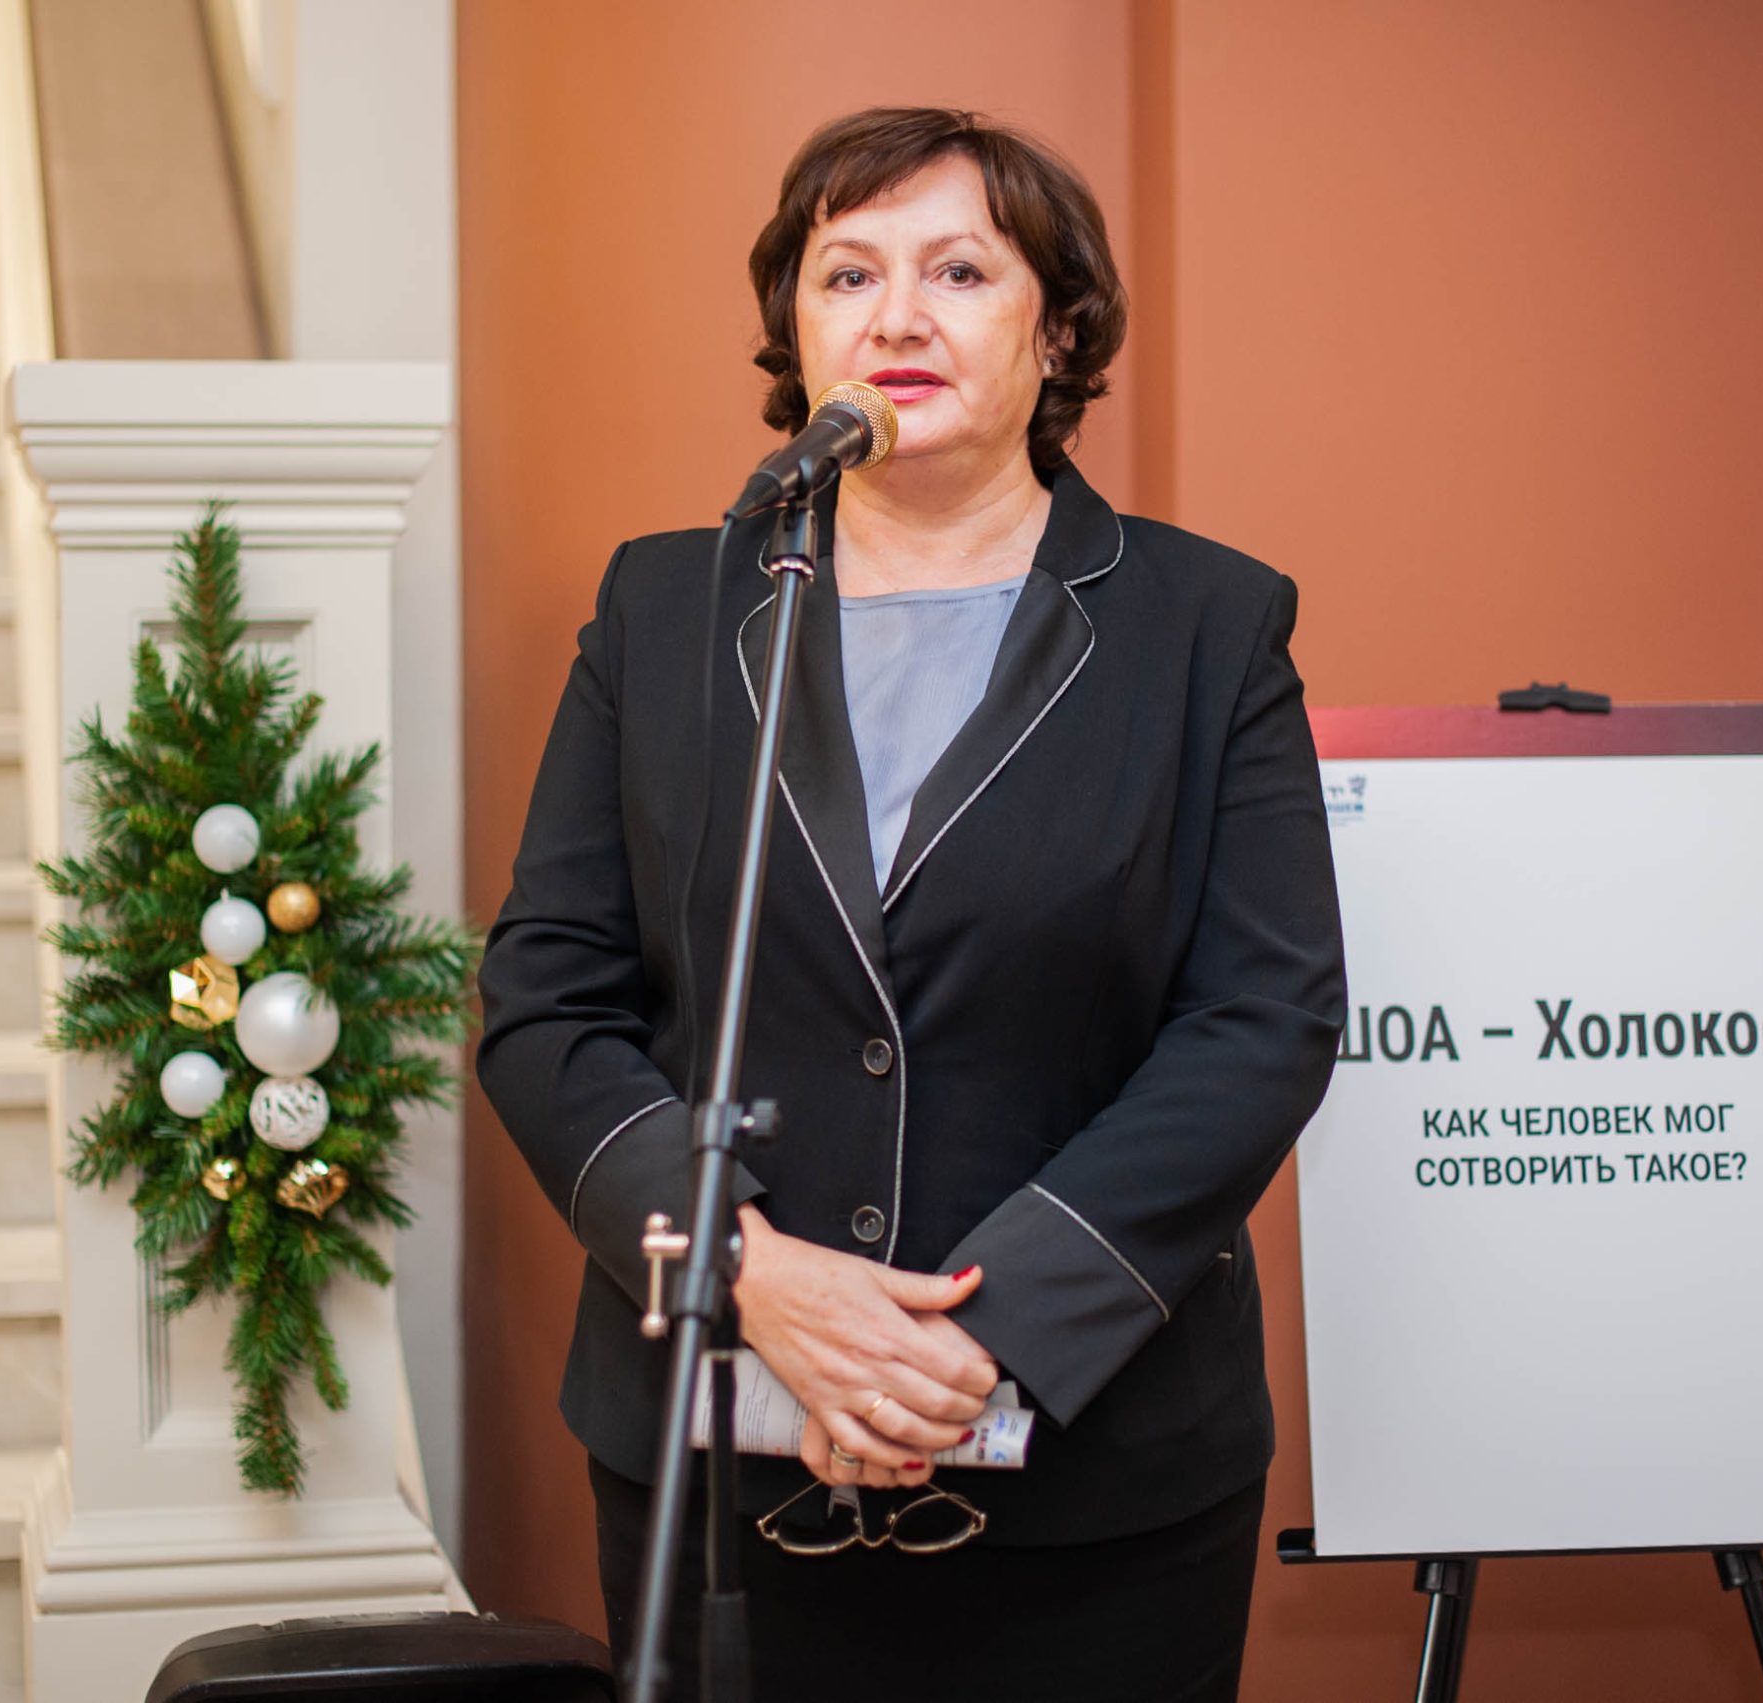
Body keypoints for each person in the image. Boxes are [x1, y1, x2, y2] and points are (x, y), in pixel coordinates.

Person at [477, 107, 1345, 1703]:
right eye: (847, 274)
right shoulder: (667, 607)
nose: (897, 316)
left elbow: (1262, 1019)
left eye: (959, 270)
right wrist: (747, 1273)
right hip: (722, 1458)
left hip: (1100, 1482)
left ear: (1056, 327)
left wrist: (972, 1339)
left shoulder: (1207, 624)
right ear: (794, 328)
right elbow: (548, 1001)